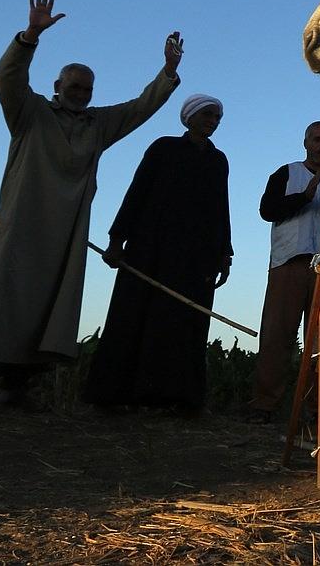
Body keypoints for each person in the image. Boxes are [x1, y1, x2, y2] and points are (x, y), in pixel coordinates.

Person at [0, 0, 181, 413]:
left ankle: (19, 386)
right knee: (5, 297)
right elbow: (9, 77)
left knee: (51, 303)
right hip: (22, 223)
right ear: (57, 87)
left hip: (67, 231)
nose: (80, 93)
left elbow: (141, 107)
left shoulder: (98, 124)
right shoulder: (30, 113)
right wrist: (30, 35)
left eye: (87, 88)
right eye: (73, 86)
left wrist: (168, 73)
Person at [84, 94, 232, 415]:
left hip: (196, 259)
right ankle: (114, 396)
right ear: (190, 117)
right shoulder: (163, 148)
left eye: (216, 117)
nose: (212, 121)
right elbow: (137, 192)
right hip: (150, 250)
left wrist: (225, 253)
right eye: (207, 115)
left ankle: (176, 400)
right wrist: (117, 238)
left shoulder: (218, 160)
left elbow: (221, 208)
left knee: (184, 323)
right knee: (134, 316)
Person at [246, 121, 320, 424]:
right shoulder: (286, 173)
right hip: (289, 262)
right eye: (317, 140)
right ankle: (264, 405)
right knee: (277, 335)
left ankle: (317, 410)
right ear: (306, 142)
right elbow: (268, 210)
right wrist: (305, 196)